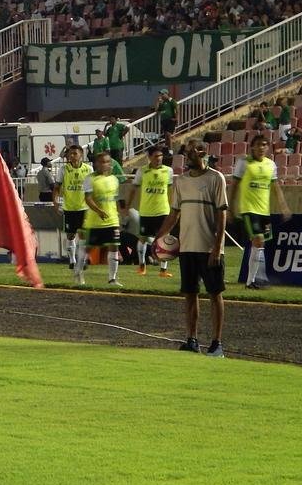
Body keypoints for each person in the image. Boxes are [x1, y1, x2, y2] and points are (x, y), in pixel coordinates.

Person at [156, 141, 228, 357]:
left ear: (203, 153)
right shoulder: (181, 181)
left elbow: (222, 214)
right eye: (186, 152)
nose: (187, 155)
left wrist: (217, 246)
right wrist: (159, 237)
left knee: (215, 294)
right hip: (186, 246)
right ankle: (192, 339)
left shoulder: (216, 178)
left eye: (192, 151)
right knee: (190, 294)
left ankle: (216, 344)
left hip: (209, 247)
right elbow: (174, 213)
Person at [228, 135, 292, 289]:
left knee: (259, 245)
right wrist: (230, 208)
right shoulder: (244, 163)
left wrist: (283, 206)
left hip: (264, 211)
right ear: (252, 147)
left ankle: (253, 280)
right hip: (248, 209)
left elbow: (275, 187)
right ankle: (252, 281)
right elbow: (234, 186)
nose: (262, 147)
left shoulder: (271, 165)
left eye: (264, 145)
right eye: (258, 144)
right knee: (258, 240)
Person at [125, 146, 174, 277]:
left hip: (163, 211)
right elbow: (133, 189)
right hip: (146, 211)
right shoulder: (142, 171)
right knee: (142, 238)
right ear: (150, 157)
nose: (159, 159)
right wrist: (127, 206)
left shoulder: (168, 171)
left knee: (164, 240)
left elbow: (170, 191)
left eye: (160, 156)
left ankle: (163, 271)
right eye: (156, 156)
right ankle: (142, 267)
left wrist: (172, 208)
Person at [82, 151, 123, 287]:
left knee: (114, 246)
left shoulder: (114, 180)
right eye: (102, 162)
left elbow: (114, 199)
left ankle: (112, 279)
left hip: (112, 220)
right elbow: (88, 199)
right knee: (88, 248)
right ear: (96, 164)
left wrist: (117, 214)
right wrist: (99, 211)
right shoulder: (90, 179)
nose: (104, 164)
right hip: (95, 221)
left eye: (107, 162)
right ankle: (78, 271)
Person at [53, 145, 91, 275]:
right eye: (70, 154)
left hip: (84, 207)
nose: (72, 156)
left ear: (81, 155)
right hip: (69, 208)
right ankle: (72, 260)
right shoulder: (63, 170)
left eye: (75, 153)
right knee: (70, 235)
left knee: (83, 235)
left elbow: (92, 189)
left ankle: (82, 259)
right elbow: (57, 187)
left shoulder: (88, 169)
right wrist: (56, 202)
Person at [156, 89, 178, 156]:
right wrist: (157, 102)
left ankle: (171, 150)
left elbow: (176, 109)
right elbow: (157, 111)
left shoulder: (171, 101)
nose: (161, 96)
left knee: (168, 134)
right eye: (161, 94)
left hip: (170, 120)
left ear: (166, 94)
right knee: (166, 135)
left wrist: (176, 118)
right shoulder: (162, 102)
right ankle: (167, 149)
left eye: (163, 94)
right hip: (164, 120)